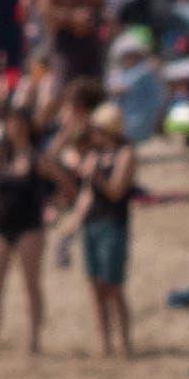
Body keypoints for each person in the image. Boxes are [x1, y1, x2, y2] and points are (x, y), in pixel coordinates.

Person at [62, 89, 141, 356]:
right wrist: (72, 226)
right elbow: (86, 195)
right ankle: (104, 343)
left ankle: (125, 342)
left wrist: (95, 176)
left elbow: (116, 192)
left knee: (114, 287)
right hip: (92, 224)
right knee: (96, 287)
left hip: (113, 224)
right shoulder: (95, 156)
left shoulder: (125, 155)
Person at [0, 99, 56, 352]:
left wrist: (50, 206)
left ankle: (34, 339)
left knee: (31, 285)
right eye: (12, 124)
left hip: (29, 225)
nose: (16, 129)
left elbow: (64, 184)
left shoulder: (37, 158)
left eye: (20, 124)